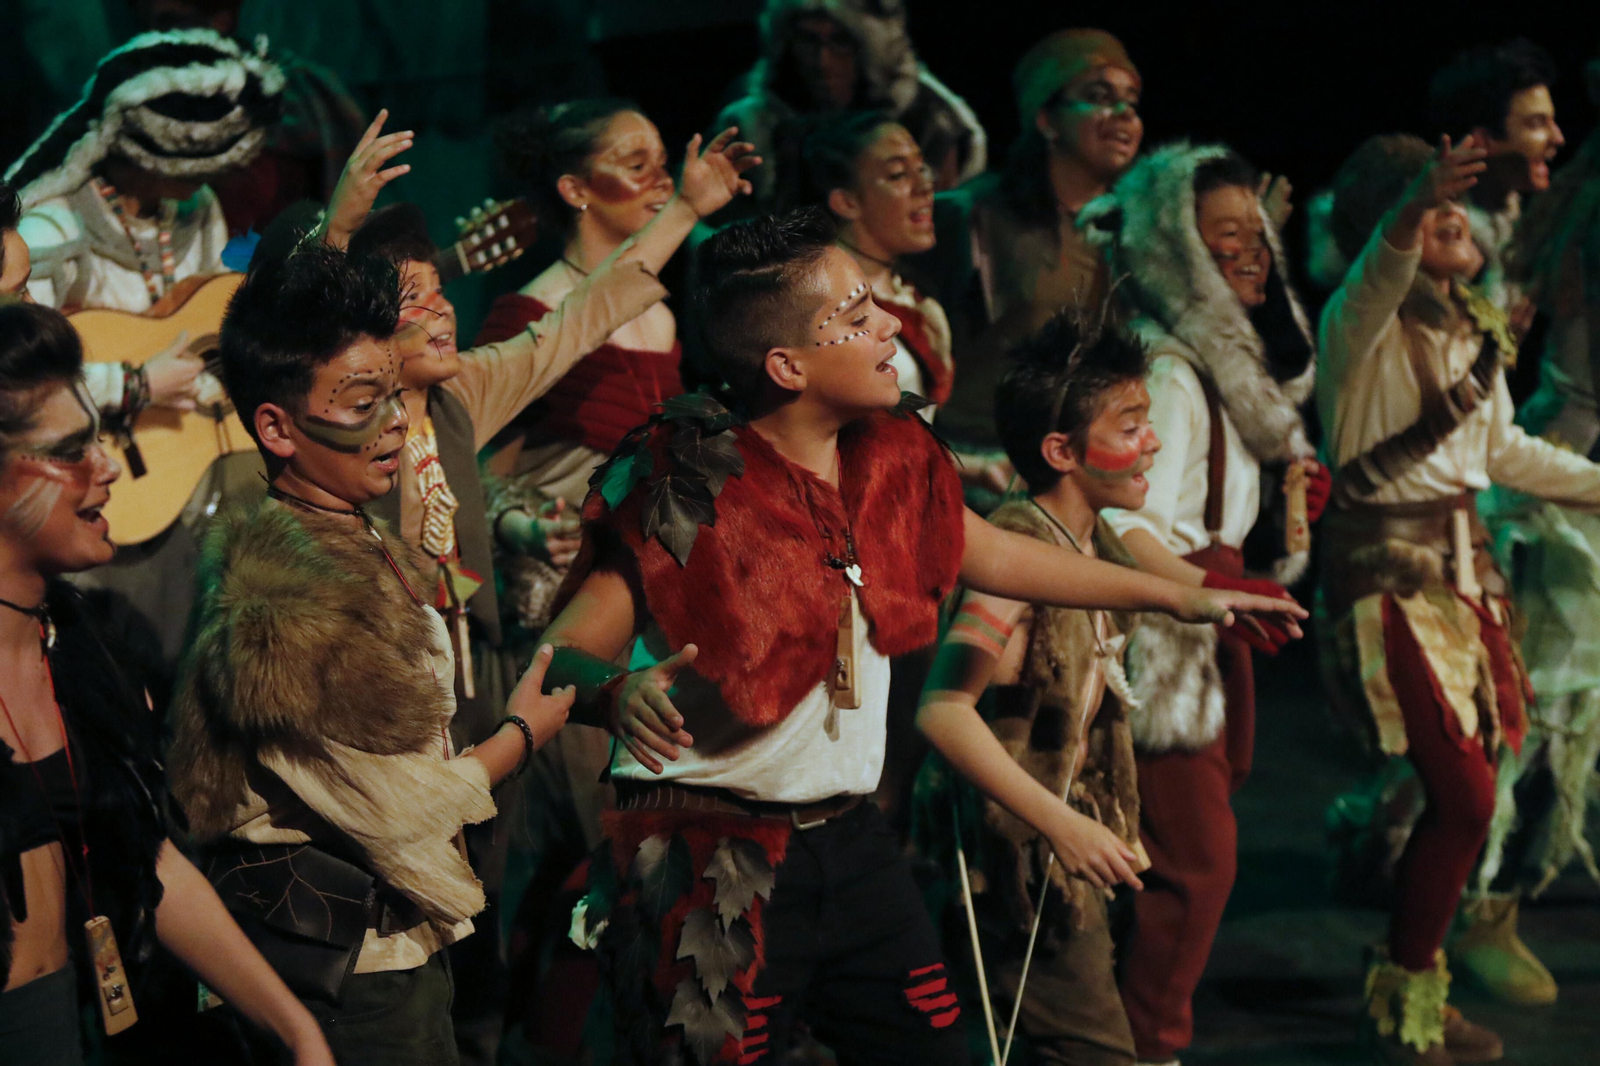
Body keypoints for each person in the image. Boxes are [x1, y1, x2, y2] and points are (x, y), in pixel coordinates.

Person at [541, 208, 1304, 1065]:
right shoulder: (685, 488)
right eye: (858, 316)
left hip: (854, 845)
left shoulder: (892, 457)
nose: (890, 327)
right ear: (788, 364)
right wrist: (614, 693)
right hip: (713, 858)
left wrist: (1180, 599)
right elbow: (551, 662)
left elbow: (994, 551)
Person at [339, 128, 757, 1063]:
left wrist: (686, 208)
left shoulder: (460, 396)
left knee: (481, 920)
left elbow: (581, 317)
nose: (443, 312)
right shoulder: (338, 429)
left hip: (475, 686)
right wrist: (336, 227)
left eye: (441, 291)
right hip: (379, 708)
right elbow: (276, 339)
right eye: (412, 303)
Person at [164, 244, 574, 1065]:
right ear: (276, 426)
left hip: (394, 949)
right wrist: (524, 732)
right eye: (359, 403)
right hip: (347, 974)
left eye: (393, 395)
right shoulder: (283, 601)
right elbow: (398, 811)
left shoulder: (358, 532)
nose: (393, 423)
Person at [1317, 133, 1600, 1065]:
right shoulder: (1360, 322)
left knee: (1468, 792)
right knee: (1467, 794)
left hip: (1463, 575)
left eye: (1447, 203)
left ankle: (1410, 982)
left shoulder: (1470, 323)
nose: (1444, 217)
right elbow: (1381, 268)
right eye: (1419, 206)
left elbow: (1501, 454)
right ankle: (1407, 988)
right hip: (1390, 583)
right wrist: (1407, 208)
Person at [0, 298, 333, 1066]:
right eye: (71, 448)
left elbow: (144, 854)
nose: (108, 465)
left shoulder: (87, 648)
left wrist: (294, 1029)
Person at [1073, 141, 1325, 1066]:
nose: (1253, 255)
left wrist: (1260, 553)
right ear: (1179, 255)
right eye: (1226, 240)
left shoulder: (1213, 373)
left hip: (1202, 614)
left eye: (1260, 237)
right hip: (1168, 636)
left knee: (1184, 853)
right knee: (1197, 863)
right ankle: (1142, 1047)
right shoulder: (1173, 376)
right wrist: (1199, 596)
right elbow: (1130, 524)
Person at [913, 311, 1162, 1066]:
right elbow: (943, 712)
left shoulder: (1094, 549)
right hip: (1018, 867)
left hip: (1068, 849)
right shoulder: (1015, 561)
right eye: (1130, 425)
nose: (1152, 441)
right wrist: (1060, 825)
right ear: (1062, 450)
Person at [5, 28, 288, 687]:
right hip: (87, 486)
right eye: (194, 165)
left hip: (188, 466)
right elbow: (19, 374)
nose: (208, 179)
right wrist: (134, 383)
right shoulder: (50, 231)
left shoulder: (196, 210)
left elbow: (212, 313)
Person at [1464, 53, 1600, 1011]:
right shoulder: (1583, 205)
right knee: (1553, 708)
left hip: (1564, 454)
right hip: (1571, 471)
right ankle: (1486, 911)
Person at [916, 28, 1142, 507]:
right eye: (1099, 97)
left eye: (1131, 101)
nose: (1123, 115)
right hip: (977, 472)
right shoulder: (973, 217)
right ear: (1046, 119)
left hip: (1077, 471)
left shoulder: (1137, 232)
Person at [712, 0, 985, 219]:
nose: (822, 60)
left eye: (840, 41)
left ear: (870, 48)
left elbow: (941, 227)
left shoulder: (930, 118)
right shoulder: (751, 122)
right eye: (808, 41)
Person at [1429, 39, 1566, 315]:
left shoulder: (1532, 227)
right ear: (1484, 140)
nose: (1558, 139)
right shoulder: (1435, 242)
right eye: (1537, 124)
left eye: (1552, 121)